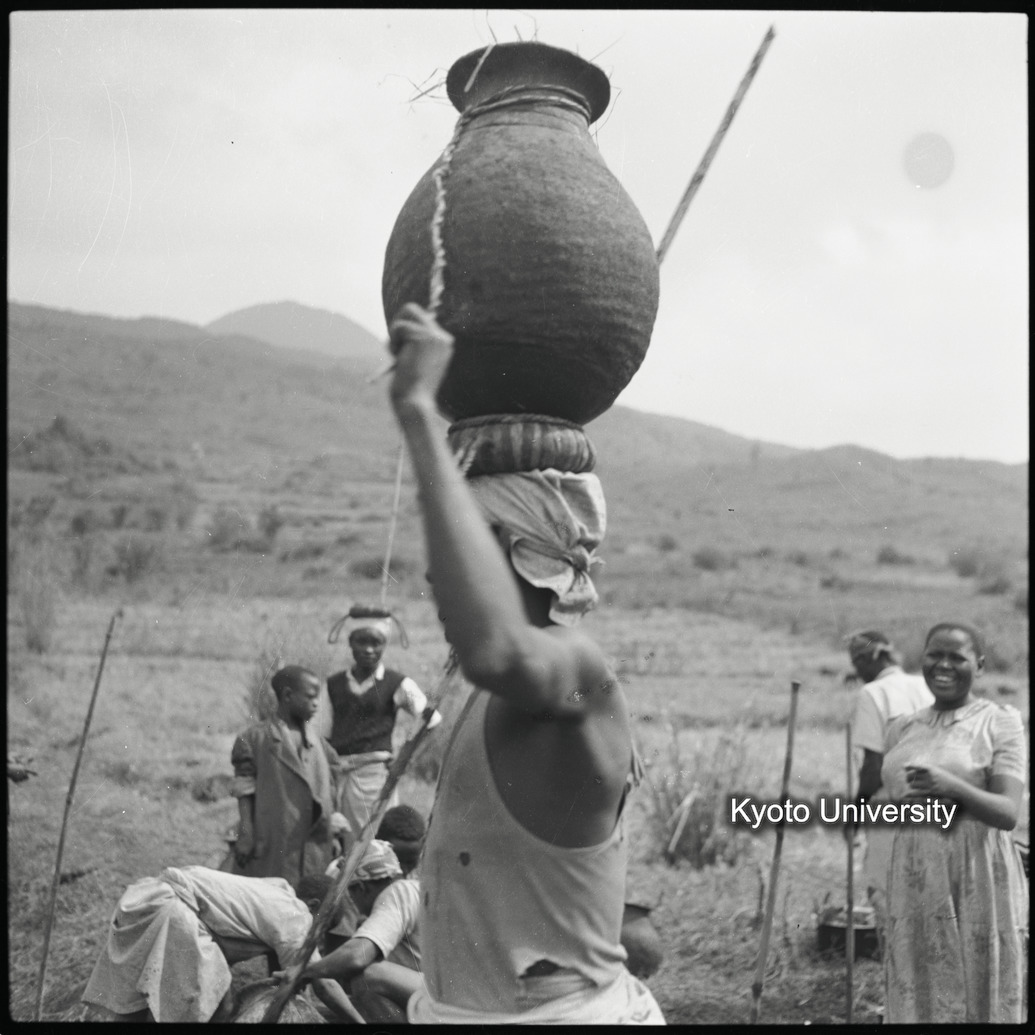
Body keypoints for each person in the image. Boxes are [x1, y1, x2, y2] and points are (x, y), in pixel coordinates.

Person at [384, 302, 665, 1024]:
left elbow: (495, 647)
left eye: (463, 548)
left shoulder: (574, 670)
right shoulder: (487, 691)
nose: (437, 575)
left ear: (524, 555)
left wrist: (419, 414)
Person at [880, 622, 1027, 1023]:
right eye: (935, 655)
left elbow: (1008, 812)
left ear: (979, 665)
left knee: (978, 981)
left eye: (957, 657)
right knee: (919, 977)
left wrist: (953, 787)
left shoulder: (999, 721)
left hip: (976, 870)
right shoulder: (902, 727)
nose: (943, 665)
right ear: (922, 659)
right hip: (916, 872)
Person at [80, 865, 363, 1023]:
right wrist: (361, 1023)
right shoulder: (296, 916)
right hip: (173, 909)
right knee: (220, 1006)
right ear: (313, 905)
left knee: (142, 1007)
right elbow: (324, 985)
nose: (318, 937)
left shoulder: (275, 890)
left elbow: (290, 976)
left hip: (144, 898)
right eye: (322, 926)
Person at [315, 617, 440, 844]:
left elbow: (430, 719)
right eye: (361, 642)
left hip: (374, 776)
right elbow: (321, 733)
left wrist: (406, 757)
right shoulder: (333, 685)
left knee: (376, 838)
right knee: (342, 839)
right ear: (351, 643)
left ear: (385, 645)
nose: (369, 649)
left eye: (376, 643)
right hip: (339, 774)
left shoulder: (397, 683)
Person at [846, 629, 933, 946]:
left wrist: (855, 813)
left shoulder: (873, 693)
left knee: (886, 894)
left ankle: (897, 974)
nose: (856, 670)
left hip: (890, 806)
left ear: (871, 658)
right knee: (926, 894)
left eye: (856, 661)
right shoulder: (925, 685)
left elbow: (873, 766)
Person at [230, 665, 342, 886]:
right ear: (288, 695)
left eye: (318, 698)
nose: (316, 704)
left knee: (310, 893)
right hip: (273, 840)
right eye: (310, 697)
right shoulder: (254, 739)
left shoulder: (320, 744)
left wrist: (333, 833)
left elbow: (331, 788)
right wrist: (246, 832)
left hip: (314, 846)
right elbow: (244, 788)